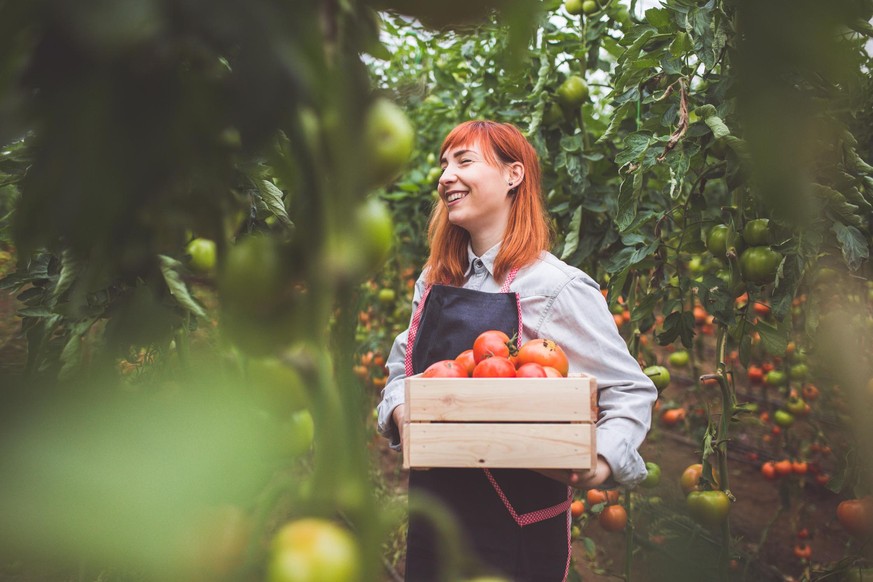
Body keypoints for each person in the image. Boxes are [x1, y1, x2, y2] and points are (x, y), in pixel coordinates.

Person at [376, 120, 657, 581]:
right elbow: (400, 371)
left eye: (464, 161)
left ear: (514, 175)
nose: (446, 176)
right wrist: (403, 410)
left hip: (512, 529)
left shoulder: (554, 287)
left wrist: (601, 458)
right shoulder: (436, 280)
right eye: (444, 164)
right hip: (435, 517)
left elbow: (629, 389)